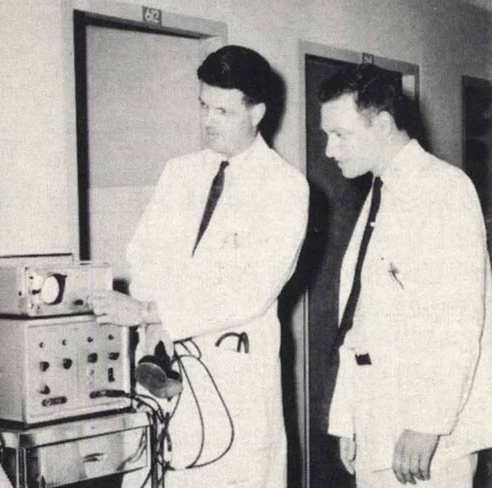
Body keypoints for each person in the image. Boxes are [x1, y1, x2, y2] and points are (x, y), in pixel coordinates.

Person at [93, 45, 309, 487]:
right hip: (162, 366)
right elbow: (142, 253)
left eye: (224, 111)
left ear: (257, 112)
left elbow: (250, 290)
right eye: (204, 105)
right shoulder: (179, 172)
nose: (208, 120)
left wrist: (153, 312)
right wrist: (151, 317)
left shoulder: (285, 188)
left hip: (233, 375)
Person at [320, 63, 492, 487]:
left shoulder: (443, 189)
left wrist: (427, 423)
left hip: (424, 441)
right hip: (377, 422)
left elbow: (459, 319)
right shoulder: (380, 193)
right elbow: (359, 318)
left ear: (381, 124)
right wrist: (348, 417)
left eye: (340, 134)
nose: (329, 149)